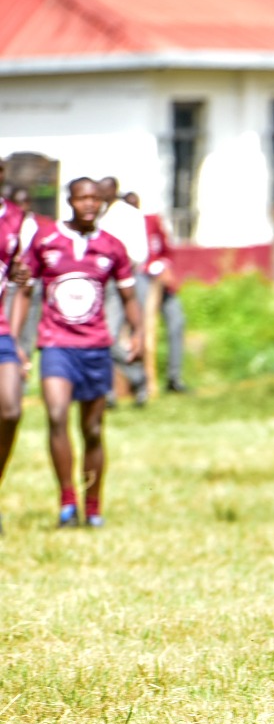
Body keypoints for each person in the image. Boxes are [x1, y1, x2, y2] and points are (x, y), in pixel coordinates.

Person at [14, 178, 141, 527]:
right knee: (56, 415)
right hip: (56, 344)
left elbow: (130, 296)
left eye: (94, 199)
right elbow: (24, 290)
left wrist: (139, 333)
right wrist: (14, 338)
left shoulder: (112, 247)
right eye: (81, 198)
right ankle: (67, 500)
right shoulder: (46, 240)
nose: (88, 204)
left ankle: (94, 504)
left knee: (94, 430)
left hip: (96, 347)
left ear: (102, 203)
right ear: (69, 201)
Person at [94, 177, 149, 406]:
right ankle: (110, 391)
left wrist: (118, 263)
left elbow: (139, 251)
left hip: (128, 280)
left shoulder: (128, 214)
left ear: (113, 190)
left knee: (125, 335)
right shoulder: (99, 215)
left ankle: (138, 380)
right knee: (105, 336)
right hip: (105, 282)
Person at [0, 181, 35, 532]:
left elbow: (19, 275)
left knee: (10, 410)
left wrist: (17, 274)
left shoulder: (14, 219)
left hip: (0, 331)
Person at [133, 194, 187, 393]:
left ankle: (174, 377)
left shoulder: (153, 222)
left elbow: (165, 250)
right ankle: (142, 382)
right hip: (141, 280)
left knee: (176, 320)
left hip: (161, 282)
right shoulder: (126, 224)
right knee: (142, 329)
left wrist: (163, 268)